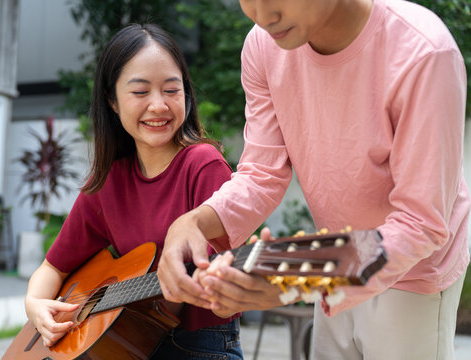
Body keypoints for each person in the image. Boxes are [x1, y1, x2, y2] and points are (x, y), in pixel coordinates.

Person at [157, 0, 470, 359]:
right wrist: (193, 221)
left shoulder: (424, 52)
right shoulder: (264, 44)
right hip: (329, 256)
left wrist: (297, 279)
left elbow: (421, 224)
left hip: (412, 272)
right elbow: (262, 174)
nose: (262, 15)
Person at [24, 23, 244, 359]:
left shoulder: (203, 165)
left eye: (171, 90)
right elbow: (53, 268)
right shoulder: (110, 181)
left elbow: (231, 266)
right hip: (129, 348)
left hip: (200, 345)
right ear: (111, 100)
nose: (158, 105)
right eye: (140, 92)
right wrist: (35, 305)